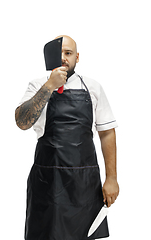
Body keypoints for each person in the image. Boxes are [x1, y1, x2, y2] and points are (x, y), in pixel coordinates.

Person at [15, 35, 119, 240]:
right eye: (59, 53)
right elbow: (22, 122)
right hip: (47, 183)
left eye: (68, 53)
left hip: (85, 185)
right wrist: (49, 87)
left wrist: (112, 178)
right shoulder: (37, 85)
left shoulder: (93, 88)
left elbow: (107, 133)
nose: (63, 58)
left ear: (77, 57)